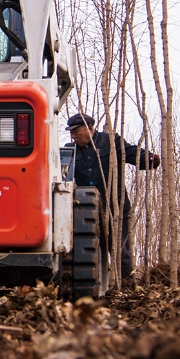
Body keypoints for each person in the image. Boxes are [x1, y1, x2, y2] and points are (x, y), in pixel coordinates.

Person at [62, 113, 160, 282]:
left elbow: (133, 154)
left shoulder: (111, 142)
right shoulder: (70, 150)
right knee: (86, 249)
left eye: (77, 131)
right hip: (85, 209)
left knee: (121, 249)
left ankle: (127, 285)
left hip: (116, 207)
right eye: (71, 132)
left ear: (90, 128)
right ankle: (94, 286)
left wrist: (150, 159)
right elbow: (60, 175)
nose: (73, 136)